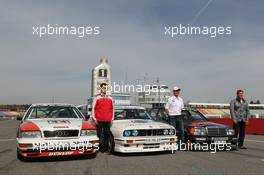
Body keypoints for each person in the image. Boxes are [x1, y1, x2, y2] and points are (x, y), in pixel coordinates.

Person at [92, 83, 114, 153]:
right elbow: (93, 108)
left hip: (108, 119)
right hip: (99, 120)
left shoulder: (110, 98)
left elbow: (112, 109)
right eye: (103, 88)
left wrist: (112, 119)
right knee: (98, 134)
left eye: (106, 88)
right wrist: (94, 118)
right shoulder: (97, 98)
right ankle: (98, 148)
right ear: (101, 88)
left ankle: (105, 148)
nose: (105, 89)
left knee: (106, 134)